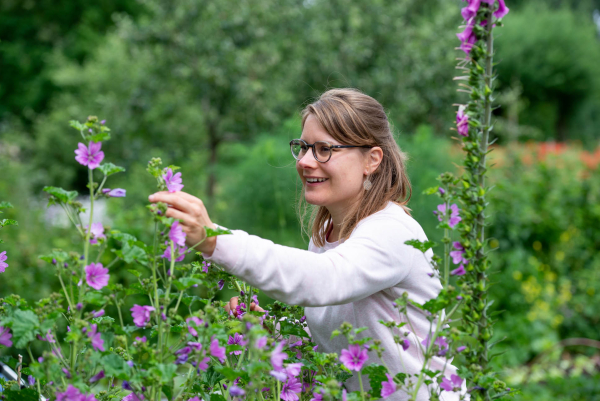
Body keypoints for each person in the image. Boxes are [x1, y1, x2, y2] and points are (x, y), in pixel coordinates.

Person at [149, 88, 465, 400]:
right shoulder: (327, 233)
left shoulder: (392, 231)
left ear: (372, 159)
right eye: (303, 147)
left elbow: (322, 280)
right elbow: (331, 333)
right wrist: (268, 327)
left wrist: (214, 239)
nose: (306, 161)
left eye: (324, 149)